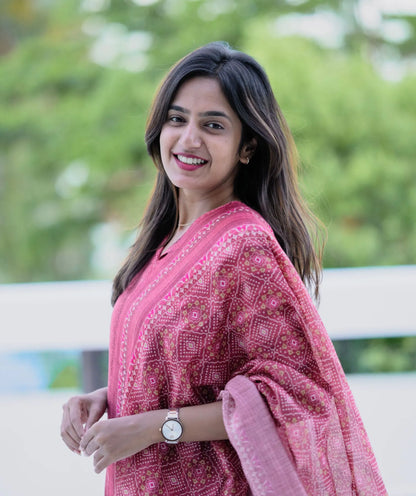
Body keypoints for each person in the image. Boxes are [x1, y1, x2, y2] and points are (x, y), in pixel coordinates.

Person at [61, 42, 386, 495]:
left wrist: (154, 427)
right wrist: (110, 400)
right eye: (177, 119)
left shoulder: (243, 244)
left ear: (247, 146)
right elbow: (184, 375)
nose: (189, 139)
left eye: (212, 125)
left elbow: (293, 397)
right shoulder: (162, 243)